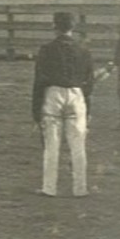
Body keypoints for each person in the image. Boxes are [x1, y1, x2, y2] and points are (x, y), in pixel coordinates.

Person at [32, 11, 94, 197]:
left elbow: (39, 80)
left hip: (52, 94)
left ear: (55, 27)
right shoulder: (83, 50)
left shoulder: (46, 49)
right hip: (76, 94)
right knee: (78, 145)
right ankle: (80, 188)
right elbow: (89, 82)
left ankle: (49, 188)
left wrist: (36, 110)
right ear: (73, 27)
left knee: (52, 145)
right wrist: (87, 106)